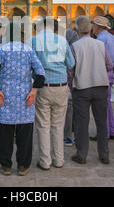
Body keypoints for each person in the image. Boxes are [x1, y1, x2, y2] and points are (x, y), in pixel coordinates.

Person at [0, 22, 46, 176]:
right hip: (25, 100)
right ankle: (23, 166)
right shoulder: (28, 50)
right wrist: (33, 91)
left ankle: (6, 166)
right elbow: (40, 73)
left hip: (5, 98)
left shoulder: (2, 50)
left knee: (4, 134)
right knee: (24, 135)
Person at [31, 17, 75, 170]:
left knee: (43, 125)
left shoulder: (34, 40)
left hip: (43, 87)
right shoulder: (62, 41)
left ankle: (45, 161)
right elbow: (71, 64)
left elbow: (30, 64)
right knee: (58, 125)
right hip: (61, 87)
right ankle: (59, 160)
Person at [70, 16, 113, 165]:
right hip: (100, 86)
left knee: (82, 122)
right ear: (90, 29)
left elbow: (71, 70)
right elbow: (109, 65)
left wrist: (72, 85)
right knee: (101, 122)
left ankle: (81, 155)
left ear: (77, 30)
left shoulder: (75, 46)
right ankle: (105, 155)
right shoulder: (100, 44)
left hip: (82, 88)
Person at [91, 16, 114, 140]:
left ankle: (104, 133)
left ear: (97, 26)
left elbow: (99, 59)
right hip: (110, 72)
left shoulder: (100, 39)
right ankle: (112, 130)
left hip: (102, 73)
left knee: (102, 105)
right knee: (107, 103)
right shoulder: (112, 37)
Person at [64, 29, 79, 146]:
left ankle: (68, 137)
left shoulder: (65, 50)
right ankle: (76, 134)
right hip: (79, 84)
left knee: (69, 110)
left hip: (68, 85)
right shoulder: (77, 48)